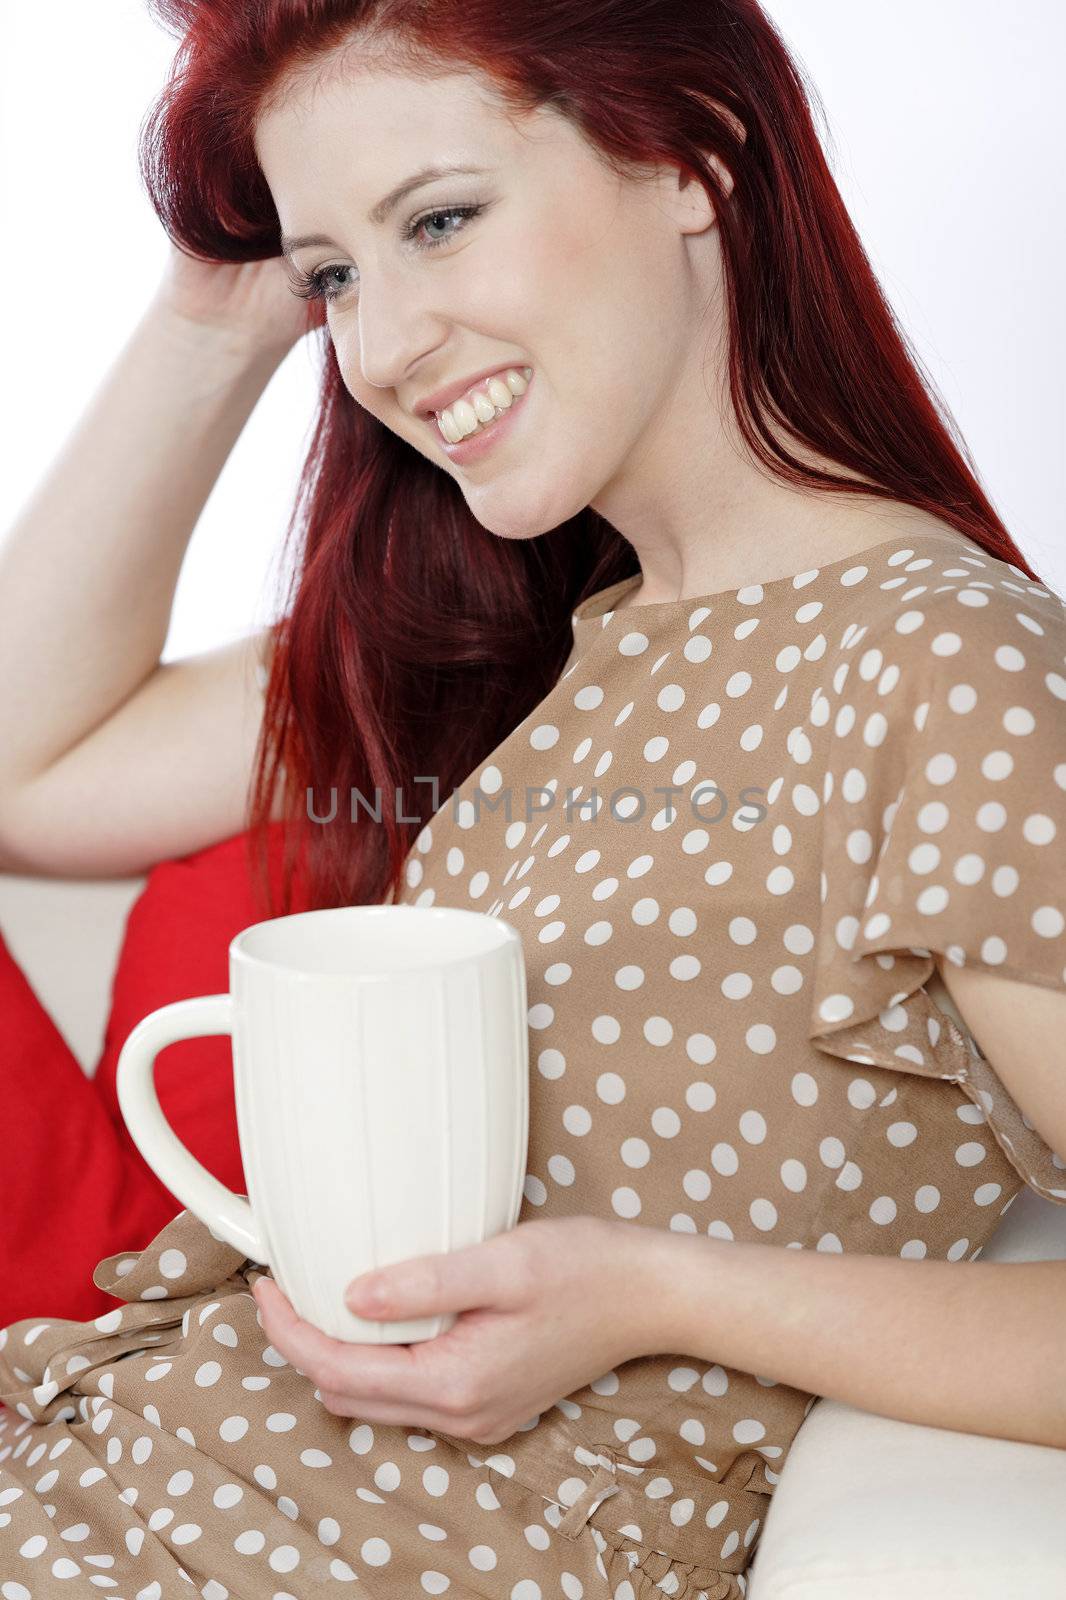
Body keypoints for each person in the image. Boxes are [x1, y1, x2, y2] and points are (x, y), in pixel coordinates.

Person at [2, 0, 1065, 1595]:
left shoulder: (942, 658)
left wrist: (657, 1293)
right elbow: (27, 777)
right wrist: (216, 319)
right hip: (103, 1465)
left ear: (693, 159)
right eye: (340, 275)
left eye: (440, 219)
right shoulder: (549, 643)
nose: (382, 347)